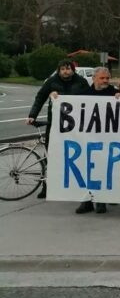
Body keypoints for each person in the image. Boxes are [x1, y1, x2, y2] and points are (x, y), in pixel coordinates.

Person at [26, 59, 90, 200]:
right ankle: (46, 187)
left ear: (73, 69)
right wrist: (32, 115)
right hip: (55, 125)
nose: (66, 71)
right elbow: (40, 98)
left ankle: (75, 186)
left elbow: (91, 98)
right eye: (62, 69)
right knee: (51, 156)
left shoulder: (81, 82)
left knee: (76, 155)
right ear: (58, 70)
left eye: (68, 68)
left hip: (76, 126)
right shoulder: (51, 82)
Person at [75, 67, 119, 214]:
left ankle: (101, 201)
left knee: (102, 171)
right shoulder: (84, 94)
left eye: (107, 78)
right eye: (102, 78)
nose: (106, 81)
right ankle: (86, 201)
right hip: (87, 139)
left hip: (107, 139)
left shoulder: (114, 93)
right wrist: (55, 96)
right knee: (86, 170)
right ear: (94, 78)